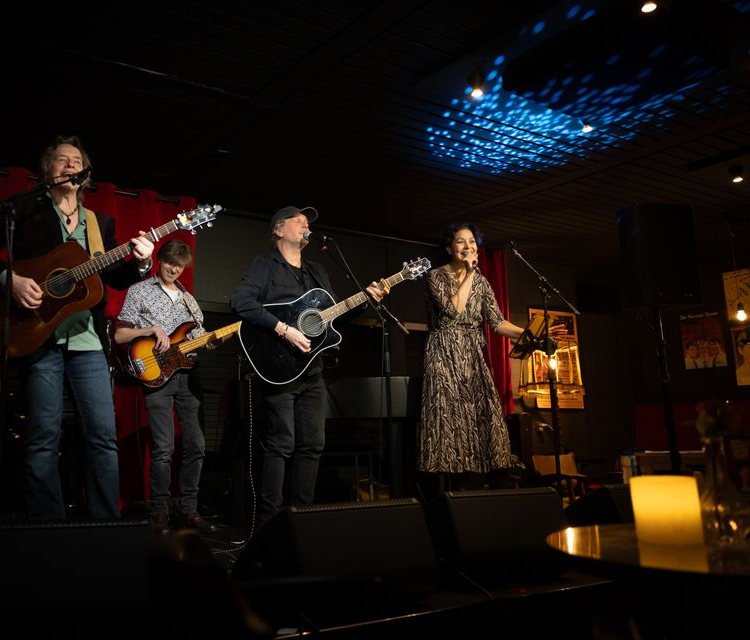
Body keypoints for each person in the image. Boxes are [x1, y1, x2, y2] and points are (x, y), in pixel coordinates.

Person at [0, 135, 155, 521]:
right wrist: (10, 280)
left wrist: (142, 263)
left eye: (76, 161)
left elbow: (113, 278)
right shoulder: (25, 210)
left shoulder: (100, 223)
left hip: (88, 342)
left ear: (86, 173)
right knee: (42, 439)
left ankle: (105, 526)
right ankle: (47, 527)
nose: (70, 165)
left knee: (102, 438)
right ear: (47, 171)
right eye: (62, 160)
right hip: (38, 336)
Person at [230, 206, 387, 524]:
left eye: (308, 222)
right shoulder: (265, 264)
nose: (306, 225)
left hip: (312, 369)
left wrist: (366, 300)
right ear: (278, 230)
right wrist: (283, 329)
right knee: (282, 442)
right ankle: (270, 521)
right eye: (298, 220)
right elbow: (240, 302)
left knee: (314, 443)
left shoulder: (316, 271)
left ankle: (302, 517)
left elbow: (333, 318)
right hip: (277, 365)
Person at [417, 222, 563, 496]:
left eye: (472, 241)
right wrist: (470, 273)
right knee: (449, 417)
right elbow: (454, 310)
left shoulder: (482, 283)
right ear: (449, 248)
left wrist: (534, 336)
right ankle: (452, 488)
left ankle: (484, 483)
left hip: (472, 354)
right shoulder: (435, 276)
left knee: (484, 416)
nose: (468, 246)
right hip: (444, 353)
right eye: (461, 241)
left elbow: (497, 322)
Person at [114, 239, 219, 535]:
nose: (174, 269)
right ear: (159, 260)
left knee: (197, 446)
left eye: (180, 266)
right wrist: (150, 329)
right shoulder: (139, 291)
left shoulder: (189, 300)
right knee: (163, 449)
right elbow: (120, 336)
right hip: (157, 375)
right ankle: (159, 511)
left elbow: (197, 337)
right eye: (170, 263)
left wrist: (213, 340)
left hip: (188, 375)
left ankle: (188, 510)